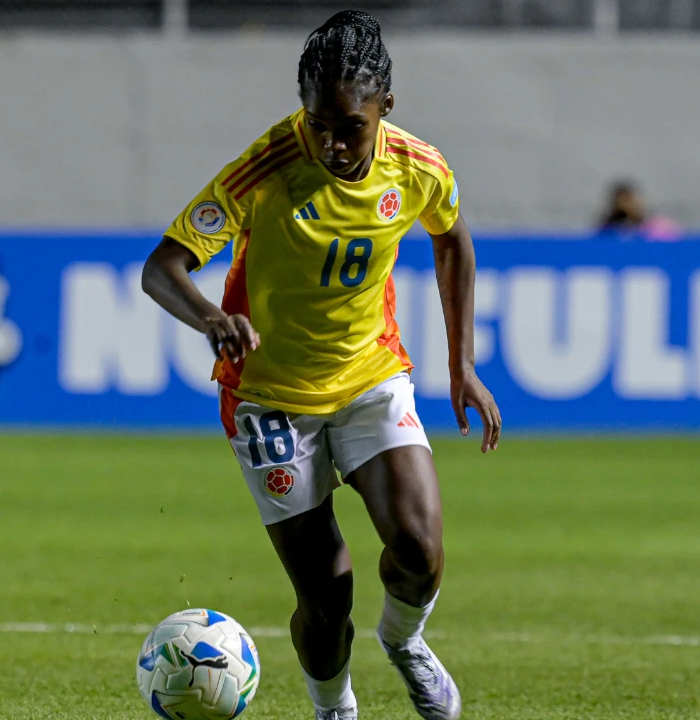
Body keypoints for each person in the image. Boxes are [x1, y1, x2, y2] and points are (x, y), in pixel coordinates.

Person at [142, 12, 501, 720]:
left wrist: (461, 363)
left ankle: (404, 642)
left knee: (420, 549)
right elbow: (163, 268)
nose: (332, 143)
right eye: (318, 123)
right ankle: (333, 706)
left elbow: (453, 239)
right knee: (327, 590)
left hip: (370, 378)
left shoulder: (419, 167)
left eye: (350, 126)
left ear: (385, 109)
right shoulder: (267, 167)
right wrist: (213, 319)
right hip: (269, 400)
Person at [597, 180, 681, 240]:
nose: (627, 206)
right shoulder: (608, 228)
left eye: (628, 200)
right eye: (621, 202)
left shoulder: (659, 225)